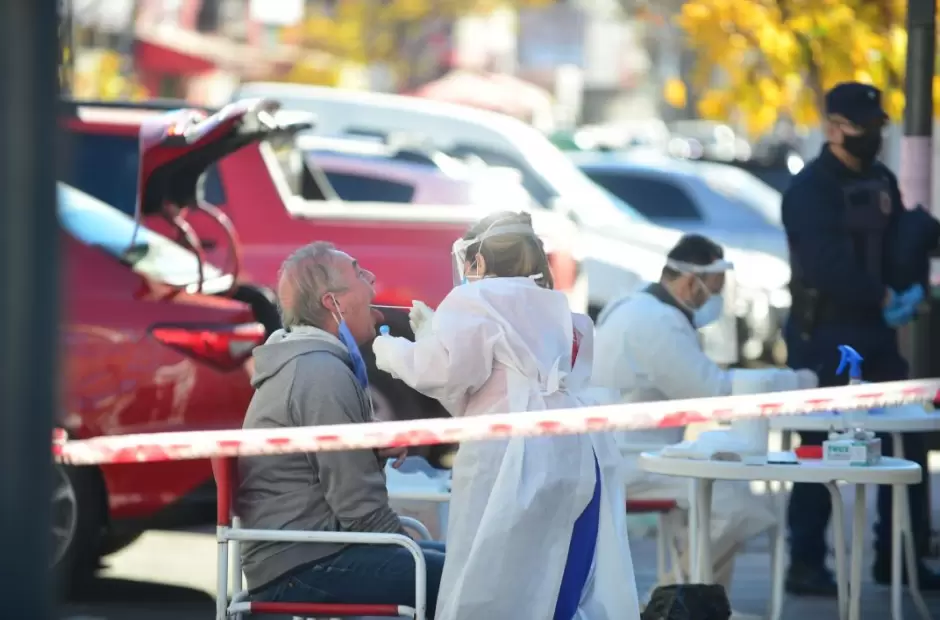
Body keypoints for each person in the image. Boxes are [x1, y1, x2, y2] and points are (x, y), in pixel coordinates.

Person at [372, 212, 640, 620]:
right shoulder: (552, 302)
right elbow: (493, 377)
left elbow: (443, 372)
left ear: (478, 259)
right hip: (577, 453)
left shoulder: (475, 299)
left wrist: (391, 351)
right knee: (553, 582)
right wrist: (435, 333)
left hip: (513, 460)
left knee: (490, 583)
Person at [592, 234, 816, 614]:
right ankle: (667, 604)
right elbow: (713, 394)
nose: (713, 302)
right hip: (632, 460)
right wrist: (794, 381)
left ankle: (702, 607)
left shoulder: (634, 305)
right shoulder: (655, 322)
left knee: (717, 502)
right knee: (736, 506)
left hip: (637, 452)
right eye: (712, 290)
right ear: (689, 282)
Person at [782, 82, 940, 595]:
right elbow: (826, 265)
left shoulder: (880, 179)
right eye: (862, 128)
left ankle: (901, 557)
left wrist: (909, 278)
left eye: (878, 128)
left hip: (875, 330)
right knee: (819, 446)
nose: (872, 137)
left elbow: (895, 241)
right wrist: (880, 294)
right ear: (832, 128)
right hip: (825, 332)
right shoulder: (809, 190)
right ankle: (806, 561)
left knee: (905, 438)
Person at [236, 242, 446, 615]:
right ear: (334, 303)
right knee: (459, 577)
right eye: (359, 272)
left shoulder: (313, 364)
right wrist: (405, 547)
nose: (372, 279)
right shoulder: (320, 372)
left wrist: (368, 448)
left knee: (453, 563)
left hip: (307, 555)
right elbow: (360, 511)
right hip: (300, 567)